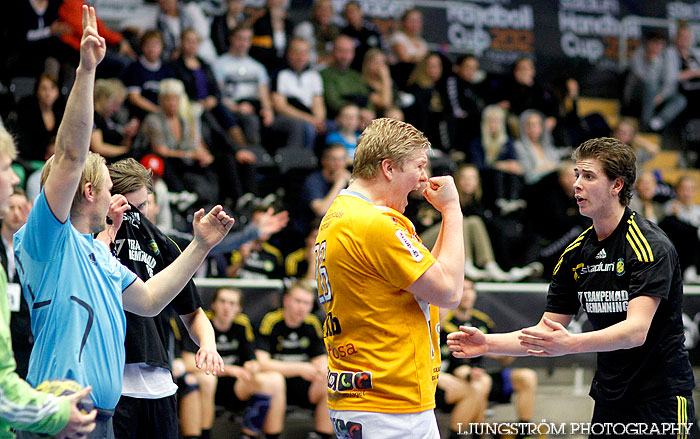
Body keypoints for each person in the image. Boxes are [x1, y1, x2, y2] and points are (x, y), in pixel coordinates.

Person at [14, 8, 234, 437]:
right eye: (104, 184)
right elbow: (73, 153)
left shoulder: (96, 252)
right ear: (90, 191)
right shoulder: (48, 238)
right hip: (62, 412)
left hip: (103, 417)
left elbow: (151, 301)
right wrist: (86, 71)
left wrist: (200, 246)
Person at [448, 137, 697, 438]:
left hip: (662, 400)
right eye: (577, 174)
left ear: (617, 185)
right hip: (610, 399)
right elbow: (545, 332)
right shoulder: (575, 254)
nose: (577, 184)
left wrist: (572, 343)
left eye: (588, 176)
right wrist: (487, 344)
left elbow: (635, 331)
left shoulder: (648, 245)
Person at [316, 117, 465, 438]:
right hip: (389, 402)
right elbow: (450, 292)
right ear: (388, 168)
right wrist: (453, 210)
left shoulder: (340, 215)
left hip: (363, 395)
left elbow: (431, 279)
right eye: (419, 166)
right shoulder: (375, 224)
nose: (424, 178)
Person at [105, 158, 223, 439]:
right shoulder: (93, 239)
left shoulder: (164, 245)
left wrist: (208, 344)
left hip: (159, 382)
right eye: (128, 208)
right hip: (110, 380)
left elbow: (193, 312)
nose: (136, 216)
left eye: (143, 206)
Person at [0, 126, 96, 439]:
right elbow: (69, 158)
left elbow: (150, 301)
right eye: (5, 168)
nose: (15, 178)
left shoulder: (95, 249)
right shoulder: (42, 235)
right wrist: (53, 413)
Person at [438, 278, 538, 439]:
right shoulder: (445, 323)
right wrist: (470, 373)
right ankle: (477, 435)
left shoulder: (483, 321)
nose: (466, 294)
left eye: (470, 289)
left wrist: (511, 350)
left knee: (527, 377)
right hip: (459, 377)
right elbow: (454, 364)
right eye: (462, 289)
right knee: (480, 382)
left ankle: (524, 434)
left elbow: (503, 359)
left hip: (483, 375)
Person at [188, 287, 285, 439]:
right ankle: (204, 435)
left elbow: (251, 359)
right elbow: (187, 362)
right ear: (213, 304)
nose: (227, 307)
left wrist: (252, 366)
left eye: (232, 303)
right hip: (206, 380)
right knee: (208, 379)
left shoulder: (242, 323)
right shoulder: (202, 323)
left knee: (273, 380)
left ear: (239, 308)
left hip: (233, 386)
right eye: (223, 302)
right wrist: (228, 369)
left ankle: (253, 435)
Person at [256, 280, 332, 439]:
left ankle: (322, 435)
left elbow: (320, 360)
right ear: (287, 300)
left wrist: (319, 369)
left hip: (303, 385)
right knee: (274, 380)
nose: (301, 307)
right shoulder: (271, 321)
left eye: (307, 303)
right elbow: (262, 363)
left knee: (328, 379)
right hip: (275, 383)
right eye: (298, 301)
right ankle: (272, 435)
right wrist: (300, 368)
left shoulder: (312, 323)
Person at [0, 189, 32, 379]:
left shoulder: (32, 249)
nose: (16, 213)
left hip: (24, 333)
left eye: (21, 208)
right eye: (11, 207)